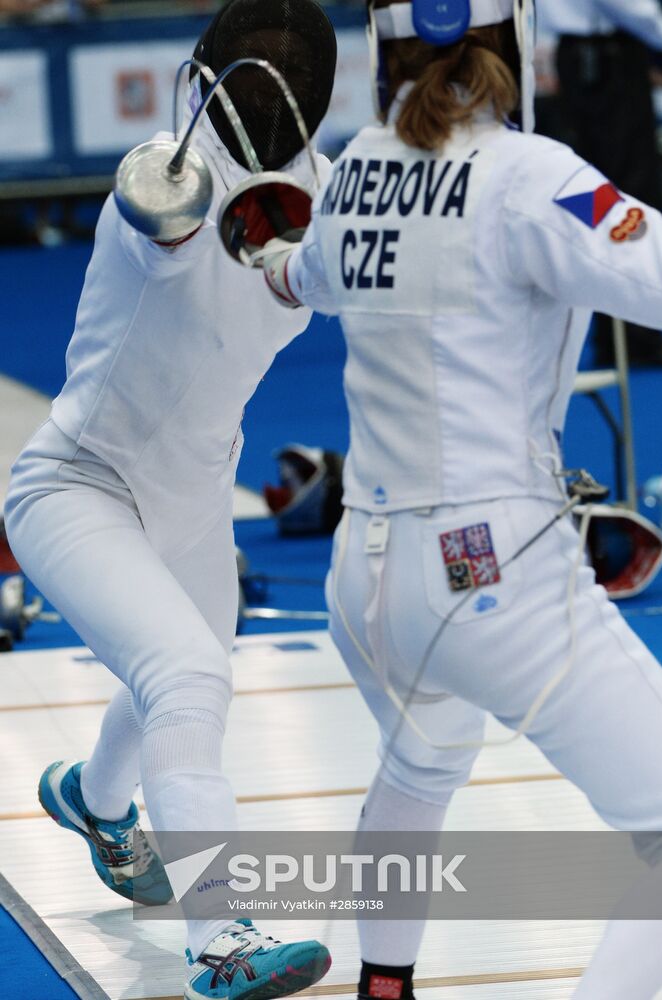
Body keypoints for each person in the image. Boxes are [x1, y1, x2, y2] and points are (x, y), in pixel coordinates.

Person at [253, 0, 662, 996]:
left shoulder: (353, 164)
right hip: (489, 573)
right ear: (510, 43)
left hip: (363, 582)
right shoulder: (532, 176)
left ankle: (380, 986)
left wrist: (253, 244)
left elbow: (289, 278)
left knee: (421, 755)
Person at [3, 2, 337, 998]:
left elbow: (303, 274)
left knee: (179, 677)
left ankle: (96, 800)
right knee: (187, 673)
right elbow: (176, 215)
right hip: (79, 487)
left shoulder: (313, 185)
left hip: (192, 488)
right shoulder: (161, 183)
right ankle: (218, 933)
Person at [537, 0, 662, 366]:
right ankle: (634, 337)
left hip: (583, 59)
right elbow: (630, 6)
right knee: (625, 191)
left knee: (596, 189)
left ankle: (615, 333)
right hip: (607, 62)